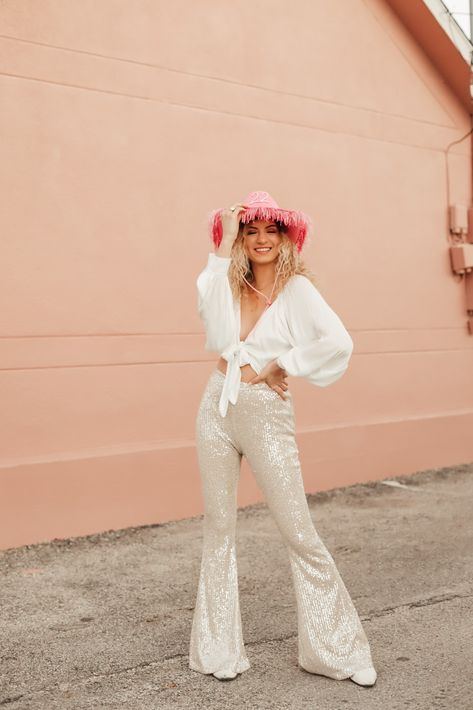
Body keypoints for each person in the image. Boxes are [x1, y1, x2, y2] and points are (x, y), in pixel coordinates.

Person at [188, 191, 377, 687]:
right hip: (216, 405)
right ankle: (217, 650)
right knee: (218, 528)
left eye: (271, 230)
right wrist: (222, 242)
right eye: (251, 231)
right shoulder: (229, 281)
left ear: (287, 237)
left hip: (264, 413)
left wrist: (283, 363)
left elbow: (338, 341)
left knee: (299, 532)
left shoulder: (297, 291)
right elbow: (210, 326)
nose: (261, 240)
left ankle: (337, 651)